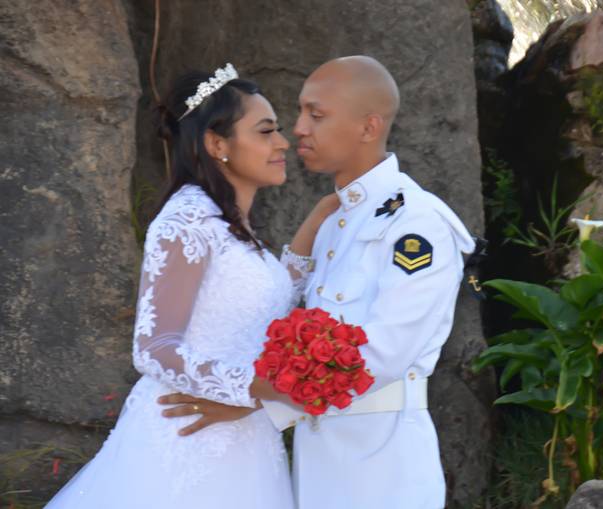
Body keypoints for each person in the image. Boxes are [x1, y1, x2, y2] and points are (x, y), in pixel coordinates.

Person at [163, 56, 475, 509]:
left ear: (368, 127)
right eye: (300, 112)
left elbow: (383, 354)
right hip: (319, 460)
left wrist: (255, 401)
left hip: (381, 466)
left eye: (317, 115)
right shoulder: (335, 220)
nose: (298, 129)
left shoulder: (415, 223)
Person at [45, 63, 337, 508]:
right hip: (188, 438)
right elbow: (154, 347)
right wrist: (262, 389)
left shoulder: (229, 221)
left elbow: (269, 299)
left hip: (244, 441)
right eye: (265, 131)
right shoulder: (188, 219)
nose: (282, 142)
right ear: (217, 144)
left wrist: (319, 219)